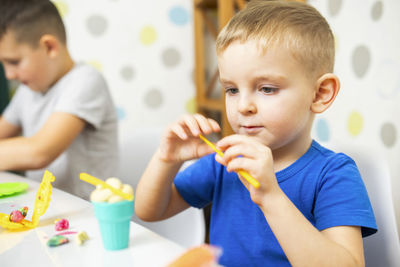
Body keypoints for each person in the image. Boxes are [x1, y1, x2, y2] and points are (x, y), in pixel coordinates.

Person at [135, 0, 377, 266]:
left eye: (267, 89)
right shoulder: (225, 161)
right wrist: (166, 159)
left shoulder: (334, 174)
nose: (243, 106)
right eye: (232, 90)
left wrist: (271, 196)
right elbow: (149, 211)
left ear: (320, 94)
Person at [0, 0, 119, 199]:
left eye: (14, 62)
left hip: (88, 215)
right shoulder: (27, 91)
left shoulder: (86, 81)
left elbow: (40, 152)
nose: (9, 74)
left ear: (49, 47)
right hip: (47, 211)